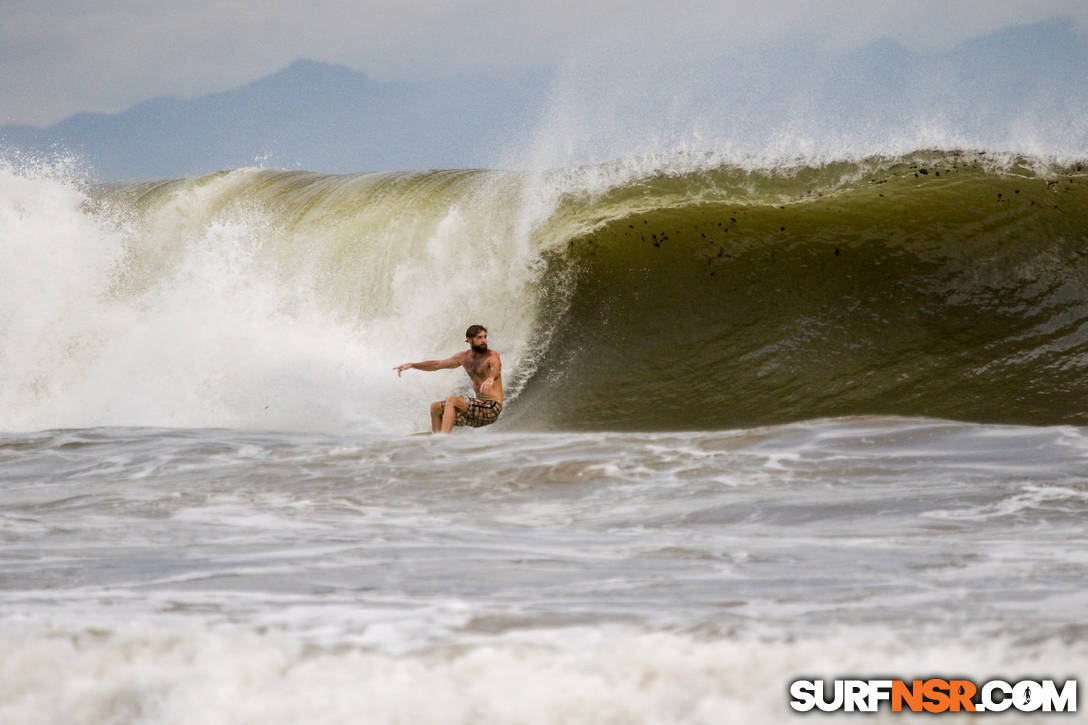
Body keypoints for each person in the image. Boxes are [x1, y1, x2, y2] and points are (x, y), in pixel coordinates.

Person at [394, 324, 503, 433]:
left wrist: (491, 378)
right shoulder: (463, 357)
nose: (484, 340)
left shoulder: (492, 355)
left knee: (452, 400)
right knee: (435, 407)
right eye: (479, 337)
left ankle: (444, 439)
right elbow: (437, 365)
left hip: (491, 408)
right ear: (469, 340)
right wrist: (413, 365)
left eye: (485, 337)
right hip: (476, 414)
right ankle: (436, 441)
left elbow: (496, 369)